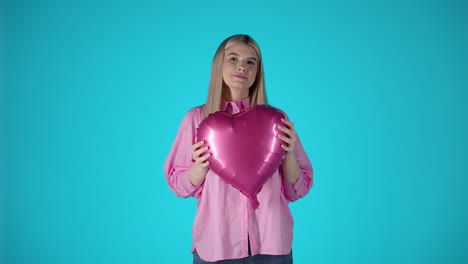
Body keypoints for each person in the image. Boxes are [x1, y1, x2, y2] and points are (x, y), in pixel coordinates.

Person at [163, 34, 313, 263]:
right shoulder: (196, 120)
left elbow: (297, 190)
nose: (242, 66)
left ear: (257, 72)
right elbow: (178, 184)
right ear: (219, 65)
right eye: (233, 59)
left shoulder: (277, 121)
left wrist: (289, 153)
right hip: (216, 246)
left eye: (250, 62)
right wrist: (200, 167)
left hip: (273, 247)